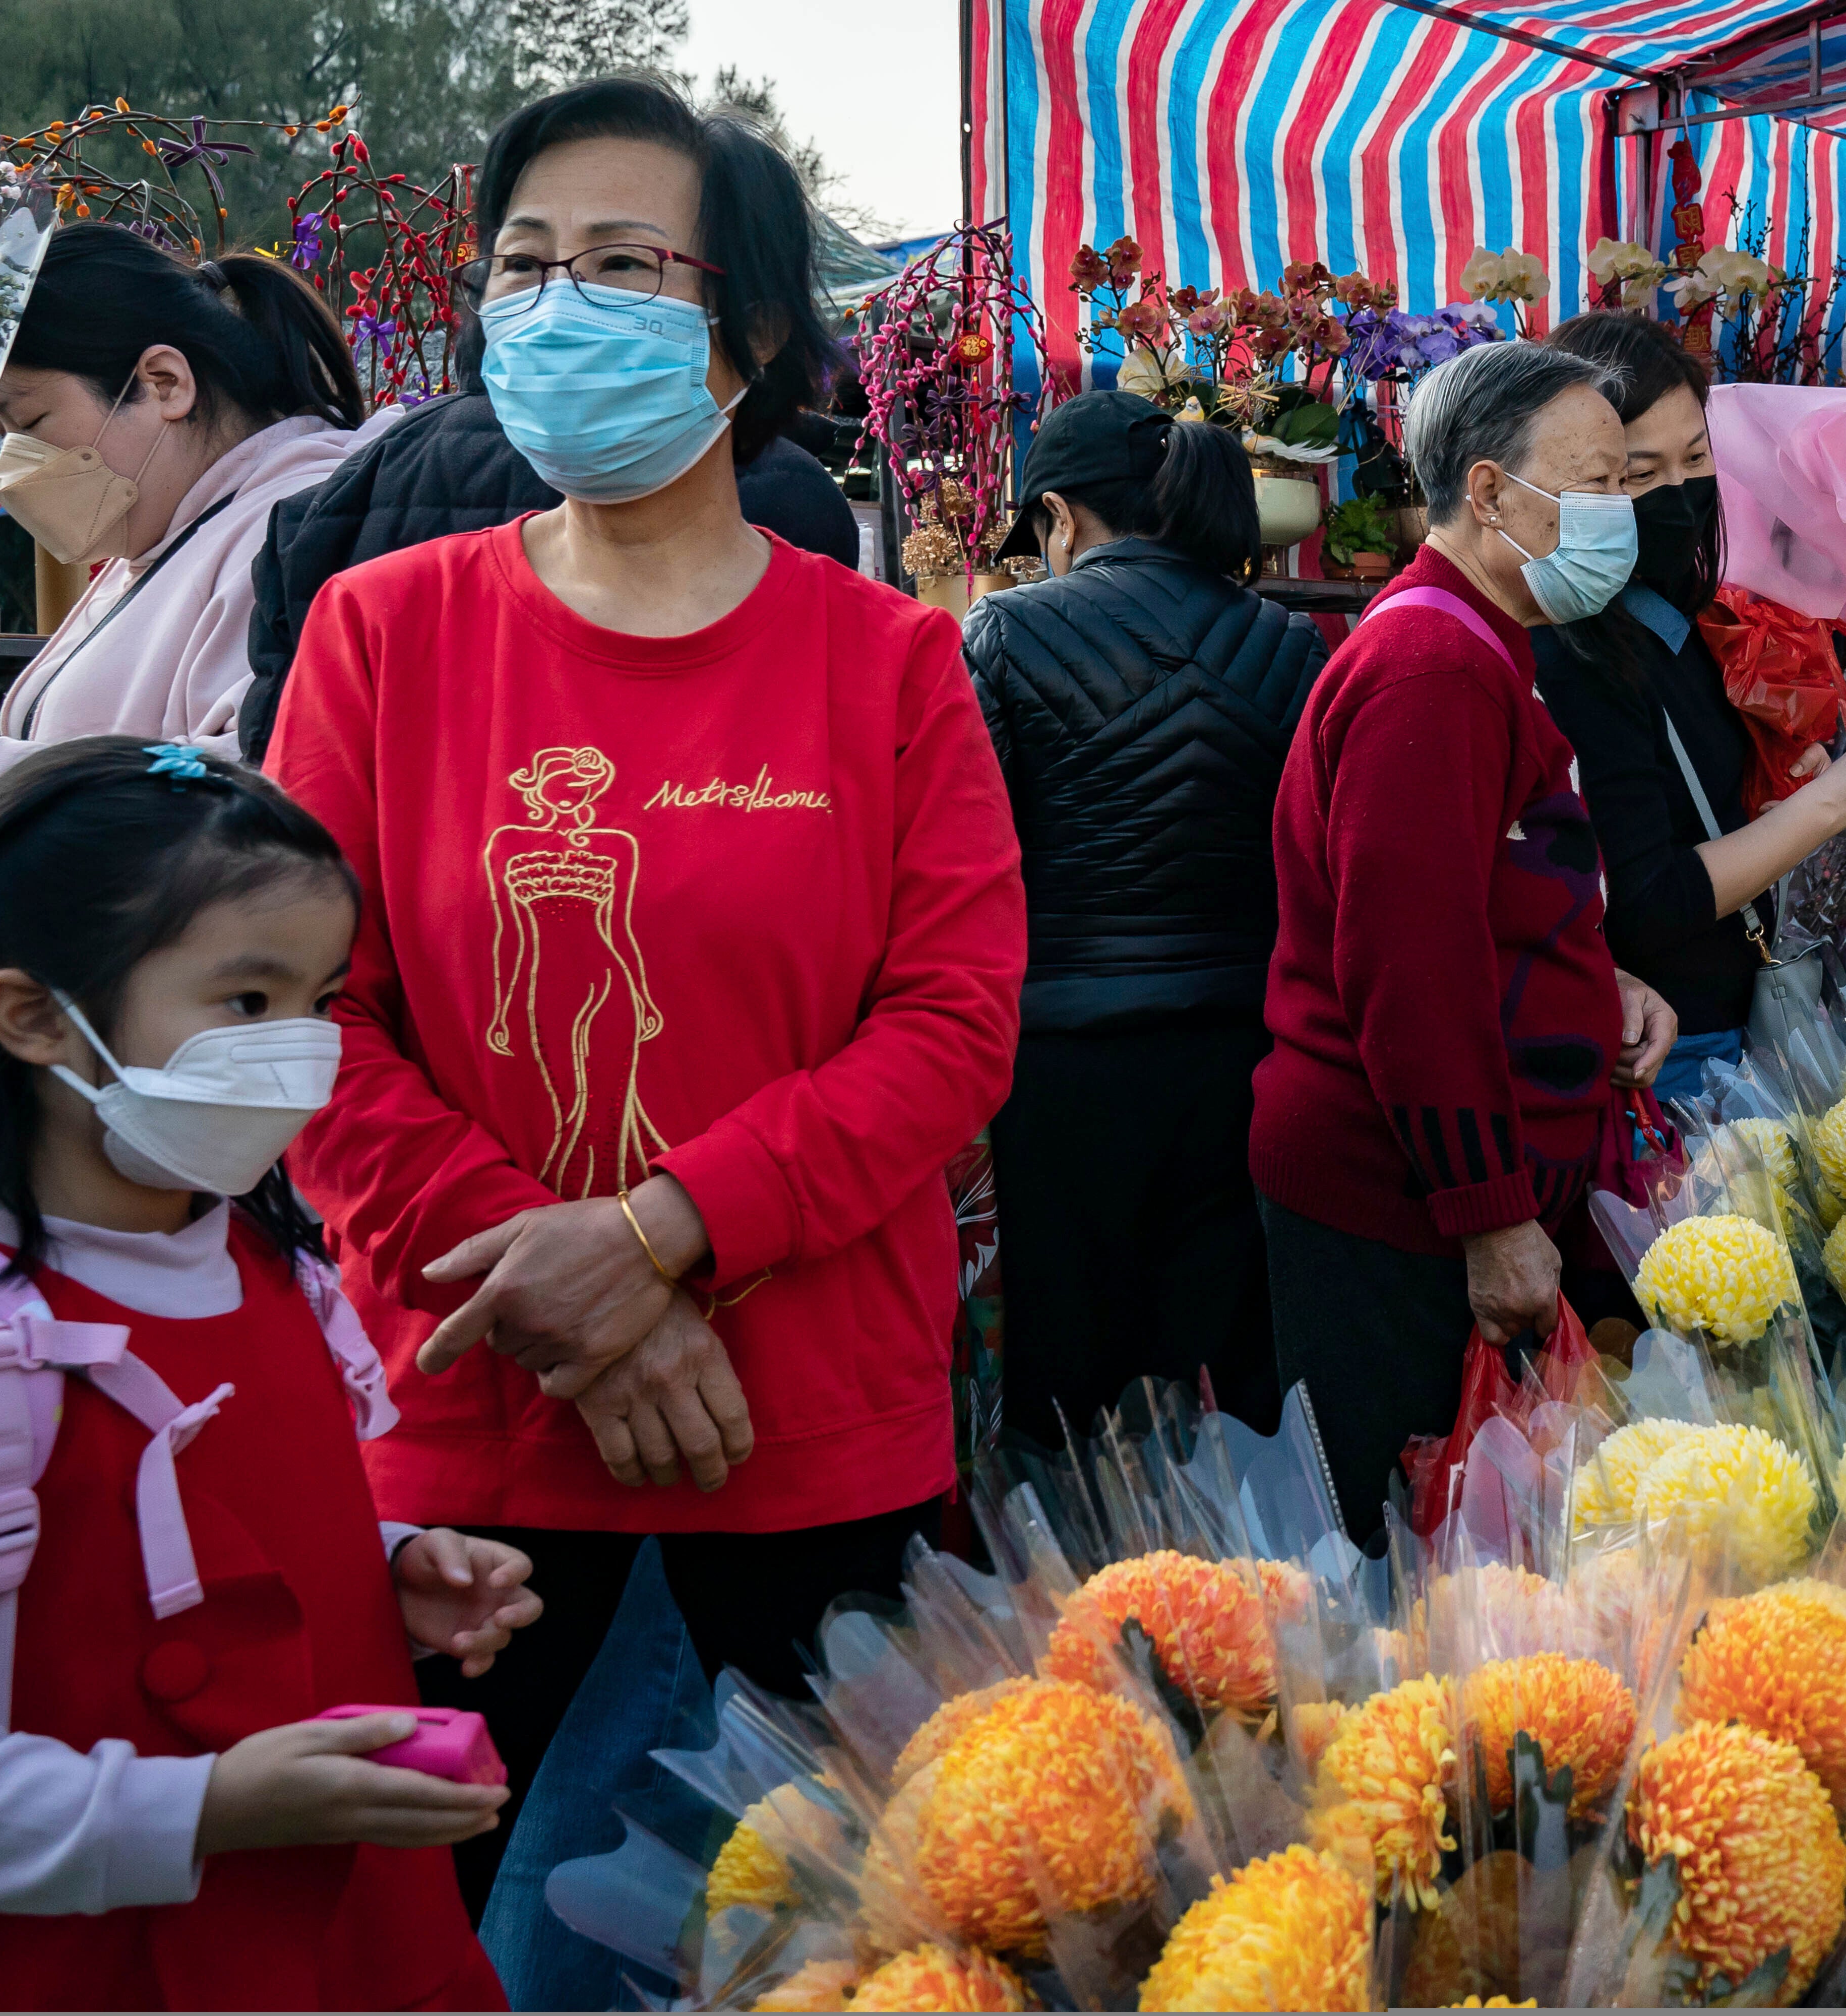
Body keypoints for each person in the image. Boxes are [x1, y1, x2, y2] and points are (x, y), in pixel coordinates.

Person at [262, 76, 1025, 1920]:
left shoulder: (888, 661)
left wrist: (666, 1229)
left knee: (858, 1924)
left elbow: (952, 1025)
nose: (554, 307)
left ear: (745, 330)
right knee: (399, 1924)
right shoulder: (383, 631)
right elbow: (296, 1015)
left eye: (617, 265)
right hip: (474, 1412)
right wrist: (578, 1298)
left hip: (808, 1425)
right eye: (521, 266)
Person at [0, 737, 540, 2009]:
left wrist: (384, 1565)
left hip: (367, 1950)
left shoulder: (276, 1269)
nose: (301, 1049)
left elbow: (209, 1523)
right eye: (247, 1002)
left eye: (320, 1000)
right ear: (32, 1015)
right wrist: (199, 1808)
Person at [1251, 340, 1675, 1541]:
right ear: (1488, 492)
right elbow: (1410, 969)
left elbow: (1478, 899)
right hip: (1396, 1207)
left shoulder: (1485, 641)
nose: (1624, 514)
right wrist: (1490, 1214)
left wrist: (1598, 978)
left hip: (1445, 1185)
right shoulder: (1430, 666)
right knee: (1413, 1556)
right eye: (1599, 485)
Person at [964, 391, 1320, 1442]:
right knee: (1226, 1391)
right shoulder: (1291, 641)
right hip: (1247, 1056)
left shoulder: (1006, 630)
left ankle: (1072, 1553)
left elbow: (969, 861)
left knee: (1064, 1394)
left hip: (1062, 1072)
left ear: (1057, 515)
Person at [0, 224, 395, 823]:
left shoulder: (305, 529)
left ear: (164, 383)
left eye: (30, 421)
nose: (11, 464)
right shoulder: (177, 528)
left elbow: (267, 790)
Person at [1534, 312, 1846, 1099]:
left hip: (1733, 1030)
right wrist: (1831, 807)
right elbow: (1645, 904)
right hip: (1667, 1059)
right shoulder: (1577, 652)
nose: (1680, 494)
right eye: (1640, 473)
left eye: (1697, 457)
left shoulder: (1678, 614)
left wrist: (1782, 783)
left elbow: (1699, 811)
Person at [233, 319, 858, 767]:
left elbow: (276, 753)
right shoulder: (784, 486)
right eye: (526, 265)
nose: (560, 303)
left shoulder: (360, 477)